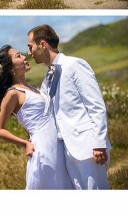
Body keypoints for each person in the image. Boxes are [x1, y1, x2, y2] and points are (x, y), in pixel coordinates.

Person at [28, 24, 112, 189]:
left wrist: (99, 143)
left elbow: (95, 105)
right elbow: (43, 103)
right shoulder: (49, 74)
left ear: (42, 44)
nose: (29, 53)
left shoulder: (74, 65)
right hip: (67, 150)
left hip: (88, 147)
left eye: (30, 47)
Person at [0, 45, 72, 189]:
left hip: (58, 144)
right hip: (43, 147)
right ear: (10, 68)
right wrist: (25, 143)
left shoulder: (32, 88)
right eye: (18, 56)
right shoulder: (12, 94)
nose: (24, 57)